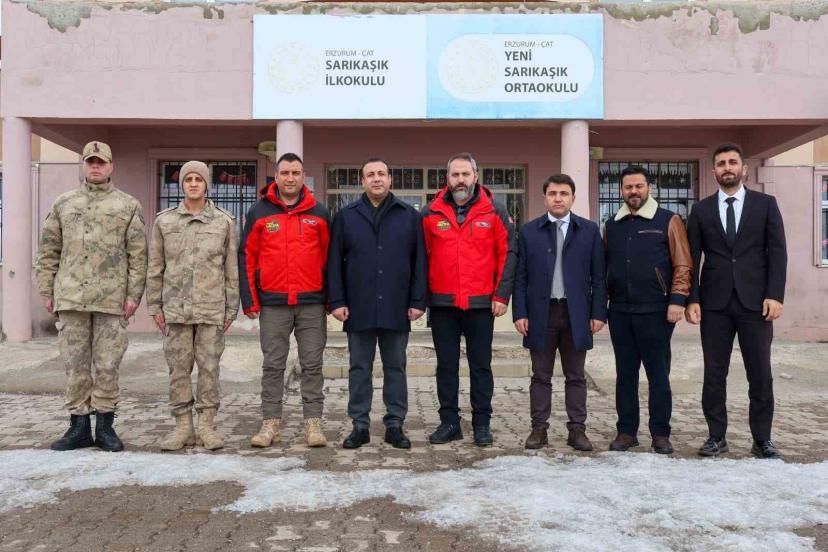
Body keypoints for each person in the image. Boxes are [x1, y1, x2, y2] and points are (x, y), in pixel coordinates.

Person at [35, 140, 147, 452]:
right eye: (90, 162)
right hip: (71, 297)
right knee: (75, 364)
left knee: (108, 364)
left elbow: (138, 255)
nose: (95, 167)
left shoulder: (127, 205)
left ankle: (106, 427)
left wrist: (134, 295)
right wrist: (47, 290)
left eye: (101, 162)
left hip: (111, 299)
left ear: (111, 166)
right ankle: (78, 426)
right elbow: (48, 250)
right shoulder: (64, 203)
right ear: (83, 165)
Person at [686, 143, 787, 459]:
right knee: (714, 374)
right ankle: (716, 437)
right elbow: (692, 258)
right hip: (714, 304)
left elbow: (778, 253)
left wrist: (775, 294)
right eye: (721, 163)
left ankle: (762, 439)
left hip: (756, 303)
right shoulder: (701, 210)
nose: (727, 167)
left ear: (743, 169)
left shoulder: (765, 204)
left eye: (732, 162)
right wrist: (692, 298)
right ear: (714, 170)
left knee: (760, 373)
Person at [327, 158, 428, 449]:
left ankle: (395, 424)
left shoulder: (409, 216)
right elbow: (334, 263)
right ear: (362, 181)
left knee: (396, 367)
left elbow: (420, 262)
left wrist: (418, 301)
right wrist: (337, 301)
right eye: (370, 174)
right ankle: (359, 425)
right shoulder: (346, 217)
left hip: (397, 306)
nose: (376, 179)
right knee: (359, 368)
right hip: (358, 306)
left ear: (390, 179)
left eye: (381, 174)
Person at [421, 152, 517, 447]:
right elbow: (420, 258)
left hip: (480, 303)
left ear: (476, 176)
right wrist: (420, 298)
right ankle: (449, 422)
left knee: (481, 366)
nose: (460, 180)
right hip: (443, 303)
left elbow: (508, 254)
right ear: (447, 178)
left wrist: (501, 295)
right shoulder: (430, 213)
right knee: (446, 366)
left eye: (465, 174)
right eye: (455, 175)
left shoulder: (495, 211)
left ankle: (482, 424)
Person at [146, 161, 239, 451]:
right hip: (175, 310)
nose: (194, 184)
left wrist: (231, 309)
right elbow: (155, 267)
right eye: (189, 179)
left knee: (209, 369)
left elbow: (231, 269)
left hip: (211, 309)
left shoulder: (223, 222)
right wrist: (155, 306)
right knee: (178, 369)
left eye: (199, 179)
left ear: (207, 184)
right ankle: (183, 427)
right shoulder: (165, 222)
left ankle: (207, 426)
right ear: (182, 184)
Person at [239, 153, 329, 448]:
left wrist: (332, 299)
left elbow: (330, 259)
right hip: (273, 302)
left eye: (296, 173)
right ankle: (270, 423)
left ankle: (313, 423)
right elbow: (247, 256)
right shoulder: (258, 212)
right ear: (276, 177)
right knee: (273, 365)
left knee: (312, 364)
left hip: (311, 302)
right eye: (285, 173)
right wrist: (250, 300)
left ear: (303, 176)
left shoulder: (319, 212)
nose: (290, 178)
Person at [513, 174, 606, 451]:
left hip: (576, 313)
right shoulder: (529, 232)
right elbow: (520, 277)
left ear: (573, 198)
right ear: (545, 198)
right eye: (552, 193)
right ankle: (538, 429)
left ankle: (577, 430)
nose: (558, 198)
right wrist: (520, 313)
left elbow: (599, 276)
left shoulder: (589, 231)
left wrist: (598, 313)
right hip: (540, 313)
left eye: (564, 193)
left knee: (575, 375)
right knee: (540, 375)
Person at [603, 166, 692, 454]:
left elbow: (683, 263)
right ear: (621, 191)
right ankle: (626, 432)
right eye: (628, 187)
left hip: (657, 311)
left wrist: (677, 299)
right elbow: (605, 266)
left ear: (649, 188)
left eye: (639, 186)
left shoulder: (668, 220)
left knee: (658, 375)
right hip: (620, 311)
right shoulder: (612, 225)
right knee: (625, 376)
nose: (634, 191)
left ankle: (660, 434)